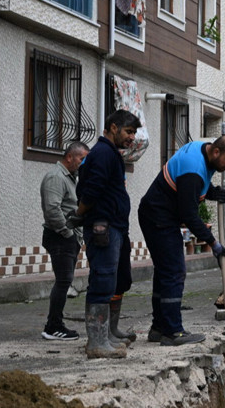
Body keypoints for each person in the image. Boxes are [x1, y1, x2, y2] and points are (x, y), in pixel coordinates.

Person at [138, 135, 225, 346]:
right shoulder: (193, 170)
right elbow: (189, 214)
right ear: (216, 152)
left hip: (156, 214)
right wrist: (213, 243)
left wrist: (213, 192)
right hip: (158, 218)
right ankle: (172, 332)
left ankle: (159, 327)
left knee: (165, 271)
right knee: (175, 272)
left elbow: (195, 188)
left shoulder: (201, 150)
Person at [76, 109, 141, 359]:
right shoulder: (103, 152)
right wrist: (80, 212)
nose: (131, 137)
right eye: (128, 131)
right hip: (103, 226)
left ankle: (106, 335)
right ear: (113, 127)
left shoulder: (110, 153)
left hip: (114, 226)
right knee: (102, 280)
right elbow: (92, 189)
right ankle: (96, 342)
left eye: (134, 132)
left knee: (115, 279)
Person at [40, 141, 89, 341]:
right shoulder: (55, 177)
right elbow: (52, 209)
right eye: (81, 158)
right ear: (70, 157)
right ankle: (53, 327)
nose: (83, 163)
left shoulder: (70, 178)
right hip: (60, 237)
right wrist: (67, 234)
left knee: (64, 281)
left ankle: (54, 325)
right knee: (63, 282)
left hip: (67, 237)